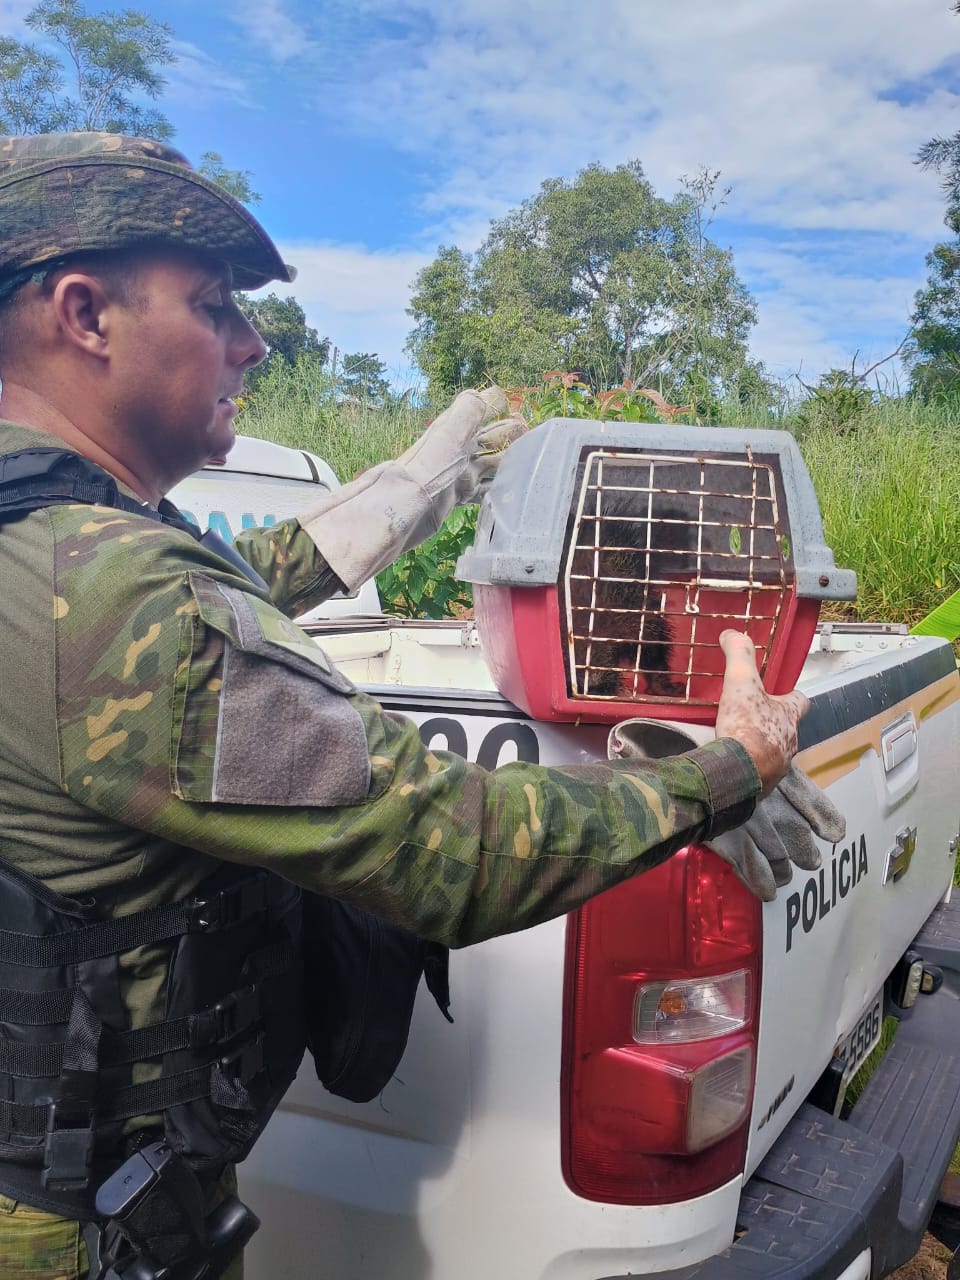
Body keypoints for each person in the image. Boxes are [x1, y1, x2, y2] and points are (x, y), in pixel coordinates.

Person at [0, 132, 832, 1280]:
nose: (254, 341)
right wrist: (729, 766)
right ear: (85, 313)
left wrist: (417, 481)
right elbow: (457, 851)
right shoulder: (111, 591)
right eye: (210, 306)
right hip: (78, 1217)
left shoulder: (41, 536)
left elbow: (217, 594)